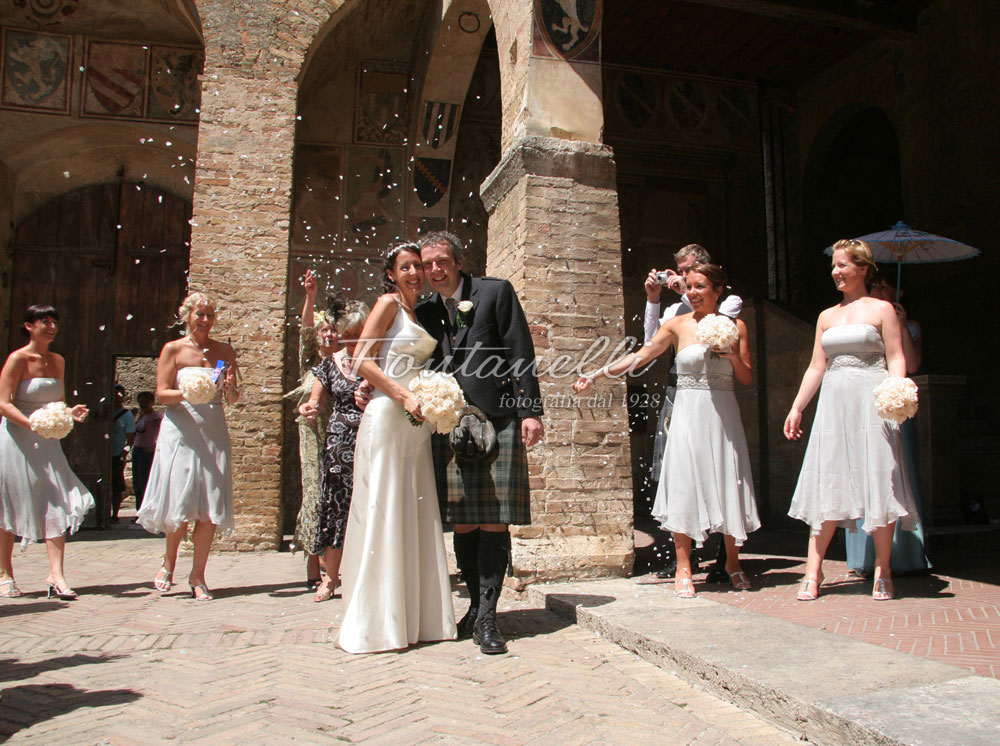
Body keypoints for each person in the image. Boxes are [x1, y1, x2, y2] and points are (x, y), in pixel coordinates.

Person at [576, 263, 759, 598]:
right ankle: (685, 566)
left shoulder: (737, 326)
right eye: (689, 286)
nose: (692, 292)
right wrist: (598, 374)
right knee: (685, 482)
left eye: (700, 286)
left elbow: (746, 377)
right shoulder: (676, 325)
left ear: (718, 290)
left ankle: (733, 562)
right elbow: (642, 355)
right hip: (688, 412)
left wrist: (731, 354)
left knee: (727, 480)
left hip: (723, 414)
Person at [416, 231, 544, 655]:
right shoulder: (424, 308)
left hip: (498, 416)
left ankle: (488, 618)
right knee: (464, 519)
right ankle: (473, 607)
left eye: (441, 261)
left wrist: (530, 410)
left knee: (494, 519)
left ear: (457, 261)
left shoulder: (494, 292)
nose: (435, 269)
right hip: (448, 423)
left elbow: (519, 349)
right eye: (427, 262)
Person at [337, 242, 456, 653]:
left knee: (415, 509)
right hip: (390, 415)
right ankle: (377, 623)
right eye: (405, 267)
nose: (414, 273)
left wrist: (430, 396)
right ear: (391, 273)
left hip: (416, 423)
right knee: (384, 508)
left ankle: (416, 618)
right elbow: (361, 360)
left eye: (418, 267)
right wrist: (401, 395)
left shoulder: (417, 312)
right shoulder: (387, 303)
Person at [784, 239, 919, 602]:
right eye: (833, 266)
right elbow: (817, 366)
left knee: (879, 479)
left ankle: (883, 570)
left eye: (842, 265)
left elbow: (896, 356)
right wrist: (798, 406)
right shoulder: (826, 317)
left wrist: (897, 393)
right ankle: (813, 572)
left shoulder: (882, 309)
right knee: (829, 478)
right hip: (834, 403)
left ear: (862, 268)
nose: (835, 272)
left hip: (872, 402)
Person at [643, 244, 743, 583]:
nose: (685, 281)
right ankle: (684, 560)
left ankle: (725, 559)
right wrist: (654, 300)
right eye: (683, 274)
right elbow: (650, 343)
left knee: (721, 473)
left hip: (719, 404)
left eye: (692, 274)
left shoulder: (731, 307)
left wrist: (727, 352)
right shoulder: (677, 315)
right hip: (682, 395)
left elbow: (738, 361)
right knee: (679, 472)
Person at [137, 292, 239, 601]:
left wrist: (230, 386)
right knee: (180, 503)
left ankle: (198, 576)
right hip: (181, 430)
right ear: (187, 316)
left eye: (210, 315)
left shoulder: (223, 352)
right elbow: (162, 395)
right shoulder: (174, 350)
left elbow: (232, 397)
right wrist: (189, 392)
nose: (206, 320)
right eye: (200, 314)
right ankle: (168, 563)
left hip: (212, 429)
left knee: (209, 506)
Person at [0, 304, 94, 599]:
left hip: (48, 442)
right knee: (10, 504)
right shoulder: (18, 359)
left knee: (57, 501)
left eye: (54, 321)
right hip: (18, 438)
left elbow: (57, 403)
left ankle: (56, 575)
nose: (51, 326)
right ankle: (4, 573)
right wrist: (31, 424)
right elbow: (4, 402)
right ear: (29, 326)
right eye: (45, 321)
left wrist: (69, 412)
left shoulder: (58, 361)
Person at [845, 274, 931, 575]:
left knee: (896, 473)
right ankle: (863, 554)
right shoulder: (861, 318)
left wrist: (903, 325)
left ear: (899, 290)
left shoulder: (910, 325)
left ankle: (907, 554)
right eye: (876, 286)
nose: (881, 290)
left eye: (886, 287)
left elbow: (914, 363)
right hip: (863, 399)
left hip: (891, 403)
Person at [298, 297, 369, 603]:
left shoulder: (378, 360)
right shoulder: (329, 363)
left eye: (358, 334)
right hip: (339, 442)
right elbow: (317, 399)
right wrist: (309, 407)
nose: (352, 341)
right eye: (347, 334)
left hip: (371, 438)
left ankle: (366, 575)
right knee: (337, 509)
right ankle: (330, 578)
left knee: (368, 507)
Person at [285, 269, 338, 590]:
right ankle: (312, 561)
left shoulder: (348, 361)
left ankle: (324, 563)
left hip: (338, 435)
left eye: (333, 330)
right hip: (310, 433)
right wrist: (310, 296)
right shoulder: (310, 361)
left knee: (333, 495)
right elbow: (304, 329)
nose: (328, 335)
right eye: (324, 331)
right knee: (314, 494)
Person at [131, 391, 162, 514]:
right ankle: (139, 511)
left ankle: (147, 511)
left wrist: (155, 446)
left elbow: (161, 431)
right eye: (141, 401)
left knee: (145, 482)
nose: (143, 404)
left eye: (146, 401)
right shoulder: (141, 416)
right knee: (137, 483)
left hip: (147, 451)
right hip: (138, 450)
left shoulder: (155, 417)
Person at [110, 384, 136, 523]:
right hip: (104, 453)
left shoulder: (126, 415)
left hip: (116, 453)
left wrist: (125, 451)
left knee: (117, 485)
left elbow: (130, 434)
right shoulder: (106, 412)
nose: (117, 397)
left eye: (120, 394)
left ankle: (115, 514)